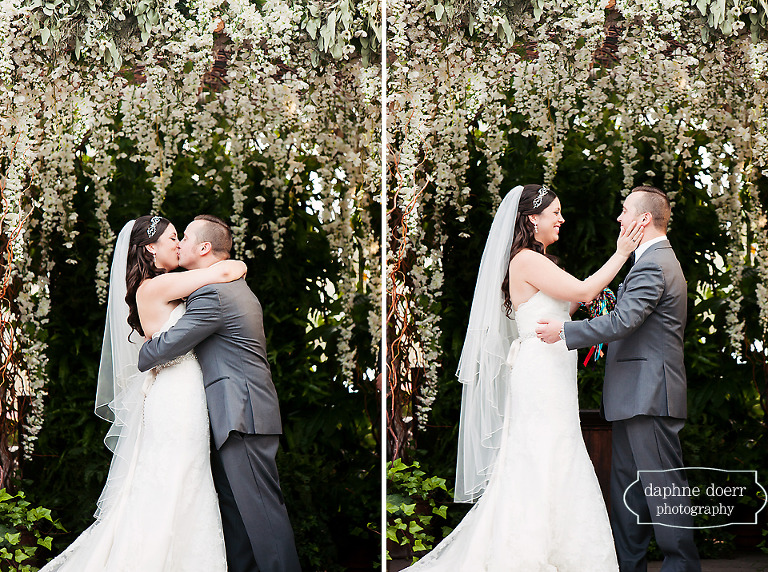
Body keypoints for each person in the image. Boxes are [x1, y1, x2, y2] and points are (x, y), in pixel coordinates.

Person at [402, 184, 642, 571]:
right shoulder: (527, 260)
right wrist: (621, 253)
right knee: (544, 452)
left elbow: (571, 304)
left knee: (555, 452)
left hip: (551, 367)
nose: (562, 219)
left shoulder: (538, 260)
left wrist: (594, 298)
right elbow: (583, 290)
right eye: (555, 213)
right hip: (541, 372)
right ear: (532, 218)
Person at [42, 214, 248, 571]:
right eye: (172, 238)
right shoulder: (157, 287)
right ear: (151, 248)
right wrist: (238, 261)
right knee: (178, 479)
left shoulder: (163, 284)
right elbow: (229, 269)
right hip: (176, 396)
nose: (178, 245)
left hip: (180, 391)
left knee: (185, 479)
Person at [537, 186, 702, 572]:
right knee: (630, 493)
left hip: (650, 395)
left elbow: (624, 321)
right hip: (633, 396)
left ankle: (682, 567)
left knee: (663, 490)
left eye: (625, 210)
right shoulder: (649, 261)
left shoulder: (655, 263)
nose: (619, 217)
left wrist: (565, 331)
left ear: (643, 219)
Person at [137, 215, 301, 572]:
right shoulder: (223, 284)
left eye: (184, 237)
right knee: (239, 520)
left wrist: (146, 349)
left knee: (263, 518)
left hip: (242, 414)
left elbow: (163, 349)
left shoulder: (214, 294)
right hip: (236, 414)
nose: (178, 244)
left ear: (204, 247)